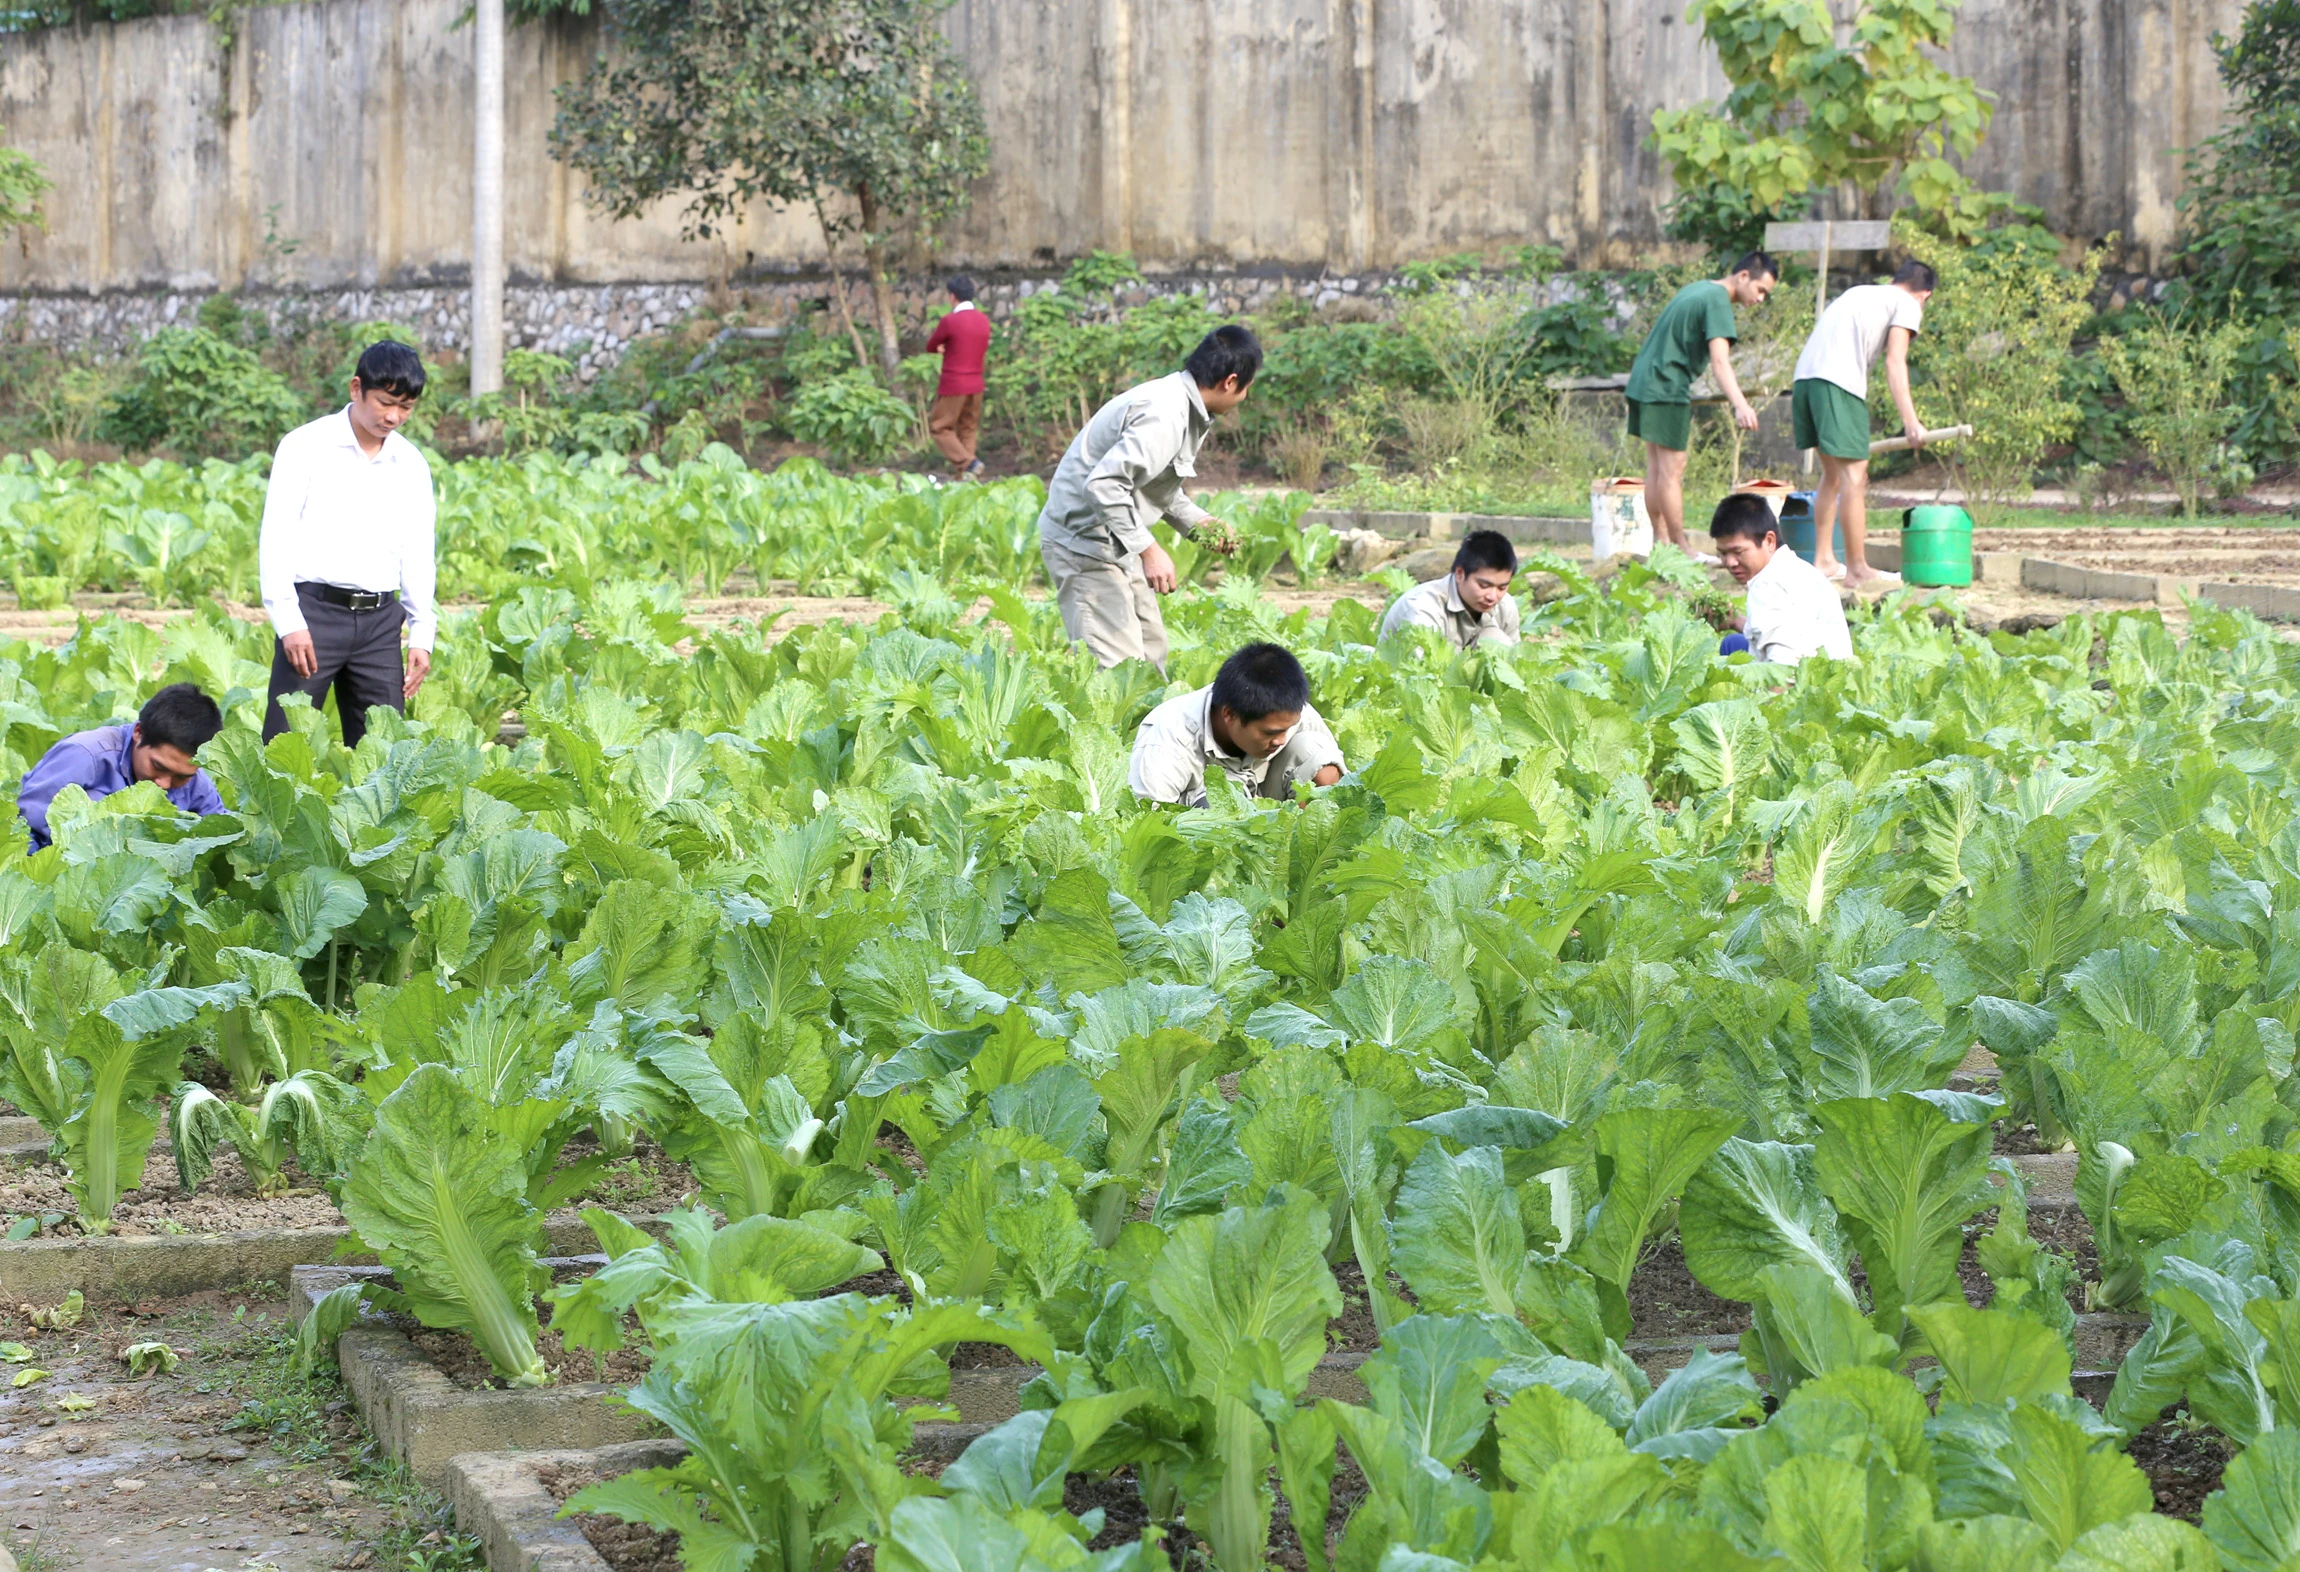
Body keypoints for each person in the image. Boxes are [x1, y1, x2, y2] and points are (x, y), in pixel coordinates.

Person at [1038, 325, 1256, 672]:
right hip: (1083, 543)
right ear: (1230, 381)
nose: (1246, 395)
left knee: (1151, 657)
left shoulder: (1185, 408)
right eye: (1247, 386)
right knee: (1117, 671)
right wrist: (1149, 550)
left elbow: (1151, 486)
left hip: (1115, 540)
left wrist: (1200, 524)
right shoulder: (1165, 415)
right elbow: (1104, 485)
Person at [259, 340, 437, 747]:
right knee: (286, 745)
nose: (393, 416)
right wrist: (289, 623)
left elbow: (418, 552)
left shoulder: (411, 464)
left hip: (380, 623)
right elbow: (276, 537)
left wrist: (422, 631)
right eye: (385, 402)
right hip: (315, 616)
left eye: (406, 407)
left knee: (383, 753)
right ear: (356, 388)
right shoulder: (305, 446)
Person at [1790, 258, 1936, 587]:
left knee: (1834, 476)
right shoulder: (1908, 304)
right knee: (1855, 477)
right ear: (1924, 295)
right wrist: (1911, 421)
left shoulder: (1861, 293)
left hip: (1805, 381)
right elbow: (1895, 361)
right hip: (1838, 384)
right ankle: (1857, 568)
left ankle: (1824, 560)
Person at [1624, 251, 1779, 559]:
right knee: (1671, 469)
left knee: (1656, 468)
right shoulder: (1718, 300)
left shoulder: (1698, 288)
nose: (1760, 299)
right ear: (1743, 276)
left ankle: (1662, 545)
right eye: (1761, 290)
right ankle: (1681, 548)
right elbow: (1720, 362)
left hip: (1644, 380)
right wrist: (1740, 404)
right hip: (1666, 385)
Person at [1129, 642, 1345, 808]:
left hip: (1268, 804)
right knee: (1217, 804)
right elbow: (1149, 825)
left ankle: (1305, 853)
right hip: (1205, 830)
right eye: (1270, 732)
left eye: (1287, 729)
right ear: (1229, 715)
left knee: (1320, 760)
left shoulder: (1287, 711)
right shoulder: (1169, 739)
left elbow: (1340, 782)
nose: (1281, 739)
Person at [17, 683, 225, 850]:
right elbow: (24, 824)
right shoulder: (85, 755)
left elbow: (221, 832)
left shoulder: (196, 780)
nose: (164, 783)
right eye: (158, 766)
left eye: (181, 777)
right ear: (138, 732)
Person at [1709, 492, 1853, 666]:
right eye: (1723, 553)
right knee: (1732, 644)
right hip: (1834, 674)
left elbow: (1782, 673)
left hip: (1805, 685)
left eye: (1738, 552)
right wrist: (1735, 621)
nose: (1730, 562)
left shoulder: (1766, 587)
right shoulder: (1800, 569)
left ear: (1769, 540)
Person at [1377, 529, 1522, 650]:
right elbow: (1421, 674)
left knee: (1495, 640)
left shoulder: (1505, 605)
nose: (1492, 596)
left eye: (1502, 587)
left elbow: (1515, 664)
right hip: (1410, 680)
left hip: (1463, 680)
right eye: (1484, 586)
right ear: (1460, 574)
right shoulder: (1422, 608)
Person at [924, 274, 992, 479]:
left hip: (954, 384)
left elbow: (931, 345)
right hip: (976, 383)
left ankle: (969, 463)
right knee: (968, 429)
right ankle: (966, 479)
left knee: (940, 427)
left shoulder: (950, 321)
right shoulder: (983, 320)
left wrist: (943, 348)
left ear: (952, 296)